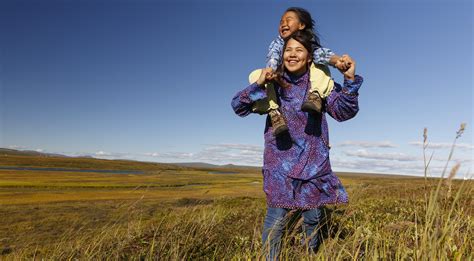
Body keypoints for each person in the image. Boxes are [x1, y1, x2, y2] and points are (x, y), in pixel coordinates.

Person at [231, 30, 363, 260]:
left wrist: (350, 80)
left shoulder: (322, 85)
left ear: (310, 57)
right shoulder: (273, 84)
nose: (292, 55)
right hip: (279, 165)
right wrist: (260, 83)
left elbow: (343, 112)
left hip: (314, 165)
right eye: (288, 50)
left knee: (313, 219)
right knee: (276, 222)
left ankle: (307, 255)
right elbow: (238, 106)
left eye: (299, 50)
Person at [254, 7, 352, 136]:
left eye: (288, 20)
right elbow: (273, 56)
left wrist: (337, 60)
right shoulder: (278, 42)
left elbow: (321, 54)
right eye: (281, 21)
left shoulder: (308, 44)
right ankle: (274, 112)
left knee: (320, 66)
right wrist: (270, 71)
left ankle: (316, 95)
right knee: (256, 74)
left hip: (311, 82)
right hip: (278, 77)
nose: (283, 23)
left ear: (301, 25)